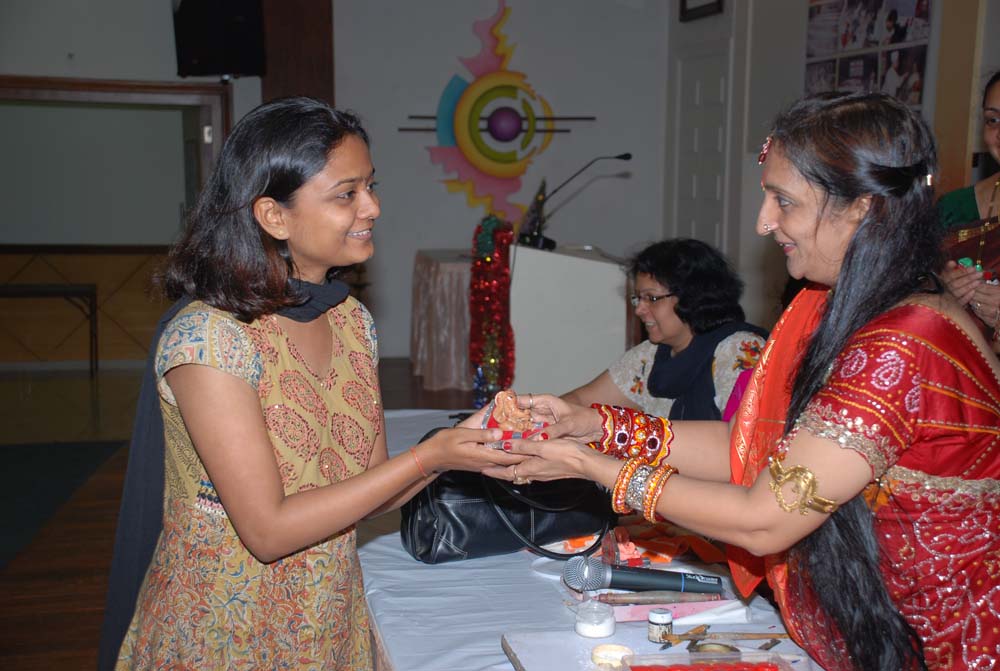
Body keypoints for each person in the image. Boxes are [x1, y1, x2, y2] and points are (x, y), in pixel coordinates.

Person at [492, 93, 1000, 671]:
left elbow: (764, 518)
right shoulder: (851, 307)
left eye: (784, 201)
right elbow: (749, 447)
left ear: (861, 207)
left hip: (949, 649)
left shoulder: (903, 341)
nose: (763, 222)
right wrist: (594, 426)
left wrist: (591, 467)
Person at [98, 97, 519, 670]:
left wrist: (463, 444)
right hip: (226, 630)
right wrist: (430, 457)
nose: (372, 206)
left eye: (370, 185)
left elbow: (371, 487)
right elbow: (268, 531)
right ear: (273, 216)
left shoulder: (351, 321)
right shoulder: (212, 338)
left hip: (326, 622)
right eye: (347, 194)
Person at [561, 238, 767, 420]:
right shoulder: (650, 355)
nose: (639, 310)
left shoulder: (740, 349)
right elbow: (581, 401)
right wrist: (546, 413)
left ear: (692, 297)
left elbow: (740, 439)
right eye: (638, 298)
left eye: (651, 298)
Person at [938, 71, 1000, 352]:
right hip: (956, 368)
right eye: (993, 119)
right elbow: (908, 295)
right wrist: (942, 292)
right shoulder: (954, 208)